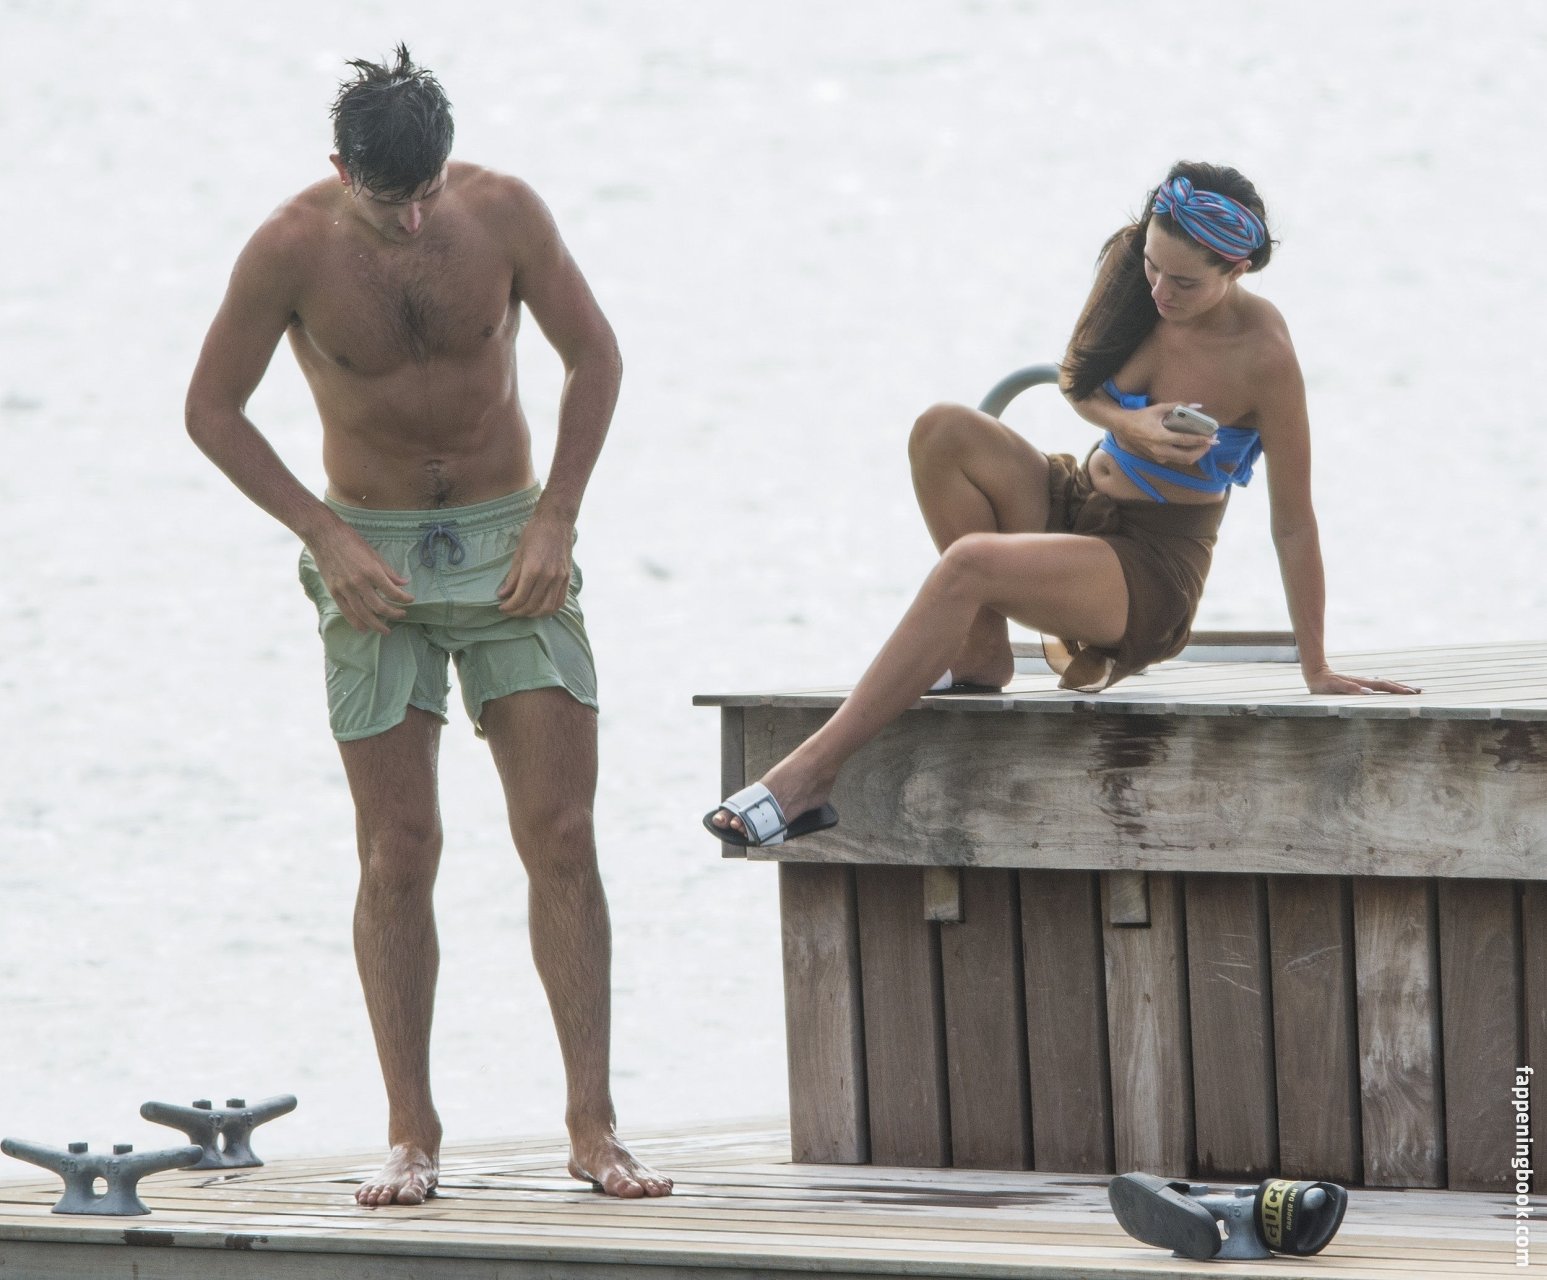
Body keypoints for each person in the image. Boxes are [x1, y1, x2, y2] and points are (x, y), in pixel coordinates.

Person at [186, 45, 671, 1205]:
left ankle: (593, 1125)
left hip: (512, 542)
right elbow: (210, 409)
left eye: (425, 193)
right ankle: (411, 1131)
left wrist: (557, 515)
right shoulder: (287, 248)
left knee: (561, 832)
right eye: (385, 199)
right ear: (338, 166)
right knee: (398, 850)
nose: (410, 220)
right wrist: (323, 534)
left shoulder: (502, 213)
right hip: (372, 557)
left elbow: (594, 355)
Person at [707, 160, 1417, 848]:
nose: (1159, 290)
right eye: (1152, 266)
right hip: (1079, 500)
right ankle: (981, 653)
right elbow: (1077, 381)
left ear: (1237, 270)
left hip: (1150, 569)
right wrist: (1131, 425)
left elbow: (1293, 522)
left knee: (969, 563)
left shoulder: (1263, 355)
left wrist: (1316, 666)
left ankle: (808, 776)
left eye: (1184, 282)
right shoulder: (1130, 268)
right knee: (941, 428)